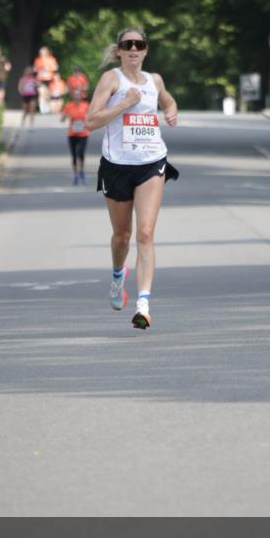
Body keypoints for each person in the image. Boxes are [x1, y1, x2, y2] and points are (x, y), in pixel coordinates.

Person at [86, 27, 178, 329]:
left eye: (139, 44)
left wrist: (171, 112)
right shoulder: (111, 80)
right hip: (117, 165)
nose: (134, 49)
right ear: (120, 51)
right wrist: (123, 104)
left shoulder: (155, 80)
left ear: (146, 50)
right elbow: (90, 121)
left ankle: (143, 304)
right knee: (122, 236)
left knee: (146, 234)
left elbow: (167, 100)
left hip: (151, 163)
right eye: (128, 45)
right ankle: (117, 275)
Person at [61, 88, 90, 185]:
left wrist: (87, 120)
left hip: (83, 133)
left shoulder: (85, 105)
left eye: (78, 95)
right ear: (73, 97)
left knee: (80, 153)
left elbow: (91, 116)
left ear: (81, 97)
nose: (77, 97)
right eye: (75, 95)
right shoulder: (69, 106)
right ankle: (76, 175)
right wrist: (65, 116)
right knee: (73, 155)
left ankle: (81, 171)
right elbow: (62, 118)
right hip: (72, 134)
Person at [33, 46, 59, 113]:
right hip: (40, 78)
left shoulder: (51, 59)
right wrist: (39, 69)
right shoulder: (37, 60)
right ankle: (42, 109)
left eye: (43, 52)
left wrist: (48, 68)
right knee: (41, 92)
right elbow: (35, 69)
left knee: (47, 93)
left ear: (46, 52)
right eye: (40, 52)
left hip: (49, 78)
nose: (41, 53)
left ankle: (47, 107)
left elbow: (55, 67)